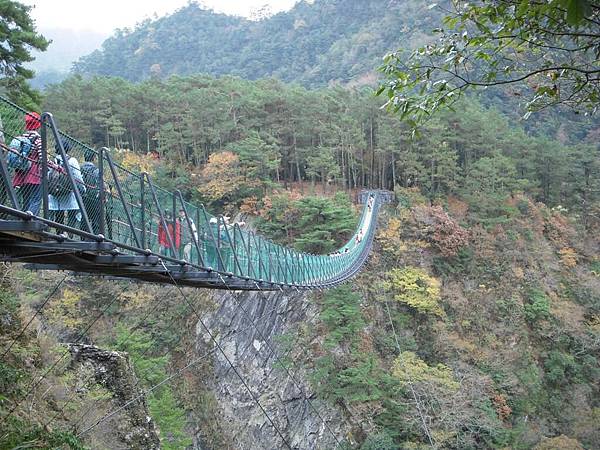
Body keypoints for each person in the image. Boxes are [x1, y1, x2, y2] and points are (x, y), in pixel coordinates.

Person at [48, 140, 85, 232]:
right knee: (72, 213)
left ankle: (59, 234)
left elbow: (48, 176)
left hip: (55, 193)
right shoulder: (72, 160)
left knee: (58, 215)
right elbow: (77, 176)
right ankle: (69, 233)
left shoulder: (52, 160)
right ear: (68, 148)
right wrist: (83, 188)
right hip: (69, 192)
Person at [12, 112, 42, 215]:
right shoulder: (38, 139)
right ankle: (31, 215)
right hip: (34, 172)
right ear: (38, 125)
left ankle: (24, 216)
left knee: (26, 197)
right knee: (36, 197)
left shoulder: (21, 138)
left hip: (21, 171)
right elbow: (42, 158)